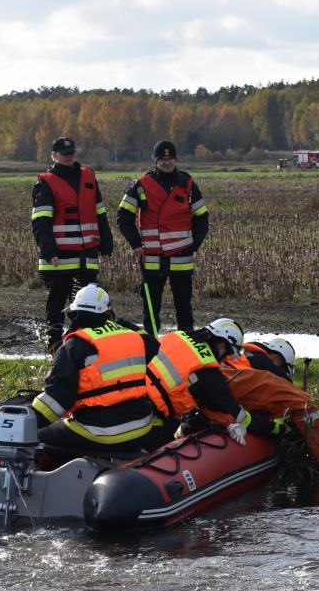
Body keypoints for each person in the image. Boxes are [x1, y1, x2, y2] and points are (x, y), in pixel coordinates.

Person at [30, 284, 156, 462]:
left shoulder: (74, 346)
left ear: (74, 314)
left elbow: (56, 399)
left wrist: (30, 419)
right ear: (108, 314)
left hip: (101, 430)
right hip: (142, 424)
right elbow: (153, 345)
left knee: (41, 437)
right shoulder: (133, 336)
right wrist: (125, 324)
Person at [117, 140, 209, 337]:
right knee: (151, 308)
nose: (167, 162)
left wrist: (194, 244)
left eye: (170, 158)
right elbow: (123, 217)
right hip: (152, 257)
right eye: (162, 159)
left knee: (184, 307)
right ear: (156, 161)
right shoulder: (141, 185)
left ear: (176, 159)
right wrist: (136, 245)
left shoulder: (188, 185)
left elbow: (202, 216)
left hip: (181, 257)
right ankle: (151, 344)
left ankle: (187, 344)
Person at [31, 136, 113, 351]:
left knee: (89, 305)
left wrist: (106, 244)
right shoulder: (46, 183)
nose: (69, 157)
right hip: (60, 258)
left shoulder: (88, 176)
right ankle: (54, 346)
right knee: (57, 305)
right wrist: (48, 251)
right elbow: (40, 222)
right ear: (54, 155)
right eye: (64, 154)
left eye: (71, 153)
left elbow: (100, 213)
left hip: (87, 256)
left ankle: (85, 345)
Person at [143, 317, 278, 446]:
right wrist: (274, 428)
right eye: (227, 354)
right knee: (166, 450)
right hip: (148, 415)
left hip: (135, 394)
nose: (224, 360)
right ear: (222, 346)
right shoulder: (207, 370)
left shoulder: (177, 335)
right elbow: (234, 412)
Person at [220, 331, 297, 383]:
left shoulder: (247, 351)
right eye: (281, 367)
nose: (278, 368)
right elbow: (286, 383)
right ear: (276, 357)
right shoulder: (262, 359)